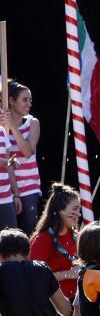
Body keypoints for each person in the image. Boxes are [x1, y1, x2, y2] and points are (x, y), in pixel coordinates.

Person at [29, 183, 82, 303]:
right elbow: (34, 276)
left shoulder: (78, 237)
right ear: (59, 210)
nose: (78, 214)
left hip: (79, 303)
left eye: (79, 209)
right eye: (74, 209)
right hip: (53, 305)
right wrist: (68, 274)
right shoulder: (42, 239)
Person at [5, 80, 43, 233]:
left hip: (29, 188)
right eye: (24, 99)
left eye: (30, 100)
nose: (29, 104)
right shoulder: (1, 127)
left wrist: (13, 127)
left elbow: (27, 151)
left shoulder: (32, 123)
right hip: (7, 189)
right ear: (11, 101)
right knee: (10, 234)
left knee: (29, 232)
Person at [0, 108, 18, 230]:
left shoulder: (2, 131)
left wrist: (16, 195)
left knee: (11, 242)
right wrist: (9, 162)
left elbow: (9, 167)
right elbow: (8, 162)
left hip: (6, 198)